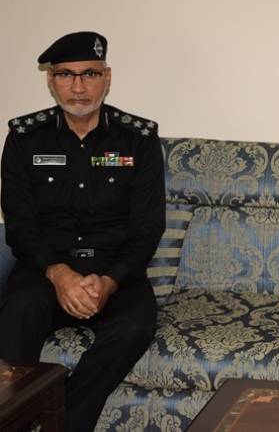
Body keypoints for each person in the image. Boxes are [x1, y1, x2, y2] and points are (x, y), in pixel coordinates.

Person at [0, 31, 166, 431]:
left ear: (107, 77)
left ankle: (63, 423)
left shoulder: (138, 139)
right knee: (19, 310)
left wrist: (109, 281)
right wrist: (60, 274)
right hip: (46, 271)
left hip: (116, 274)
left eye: (89, 74)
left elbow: (148, 227)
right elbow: (20, 226)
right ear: (50, 79)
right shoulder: (24, 138)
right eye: (65, 75)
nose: (78, 87)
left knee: (135, 327)